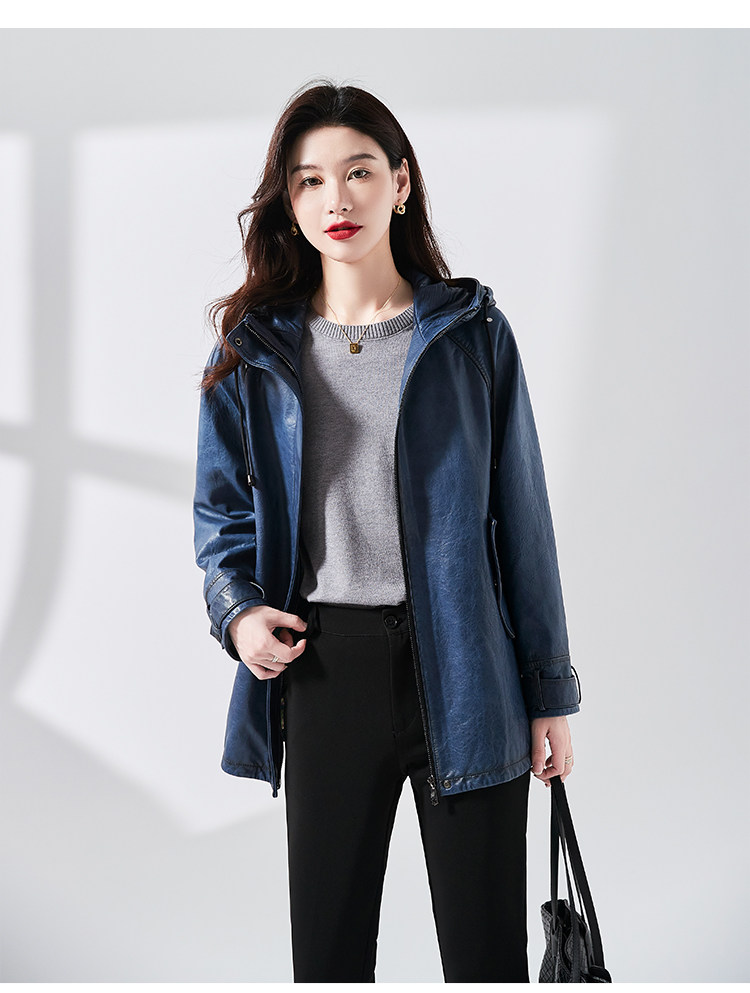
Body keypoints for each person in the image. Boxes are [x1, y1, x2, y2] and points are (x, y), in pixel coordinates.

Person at [193, 79, 581, 983]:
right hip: (323, 670)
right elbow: (221, 515)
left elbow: (524, 521)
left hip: (469, 675)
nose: (338, 198)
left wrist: (549, 692)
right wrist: (238, 613)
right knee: (328, 962)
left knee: (487, 962)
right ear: (290, 203)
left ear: (400, 184)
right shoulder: (254, 350)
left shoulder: (472, 335)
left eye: (359, 171)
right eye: (310, 180)